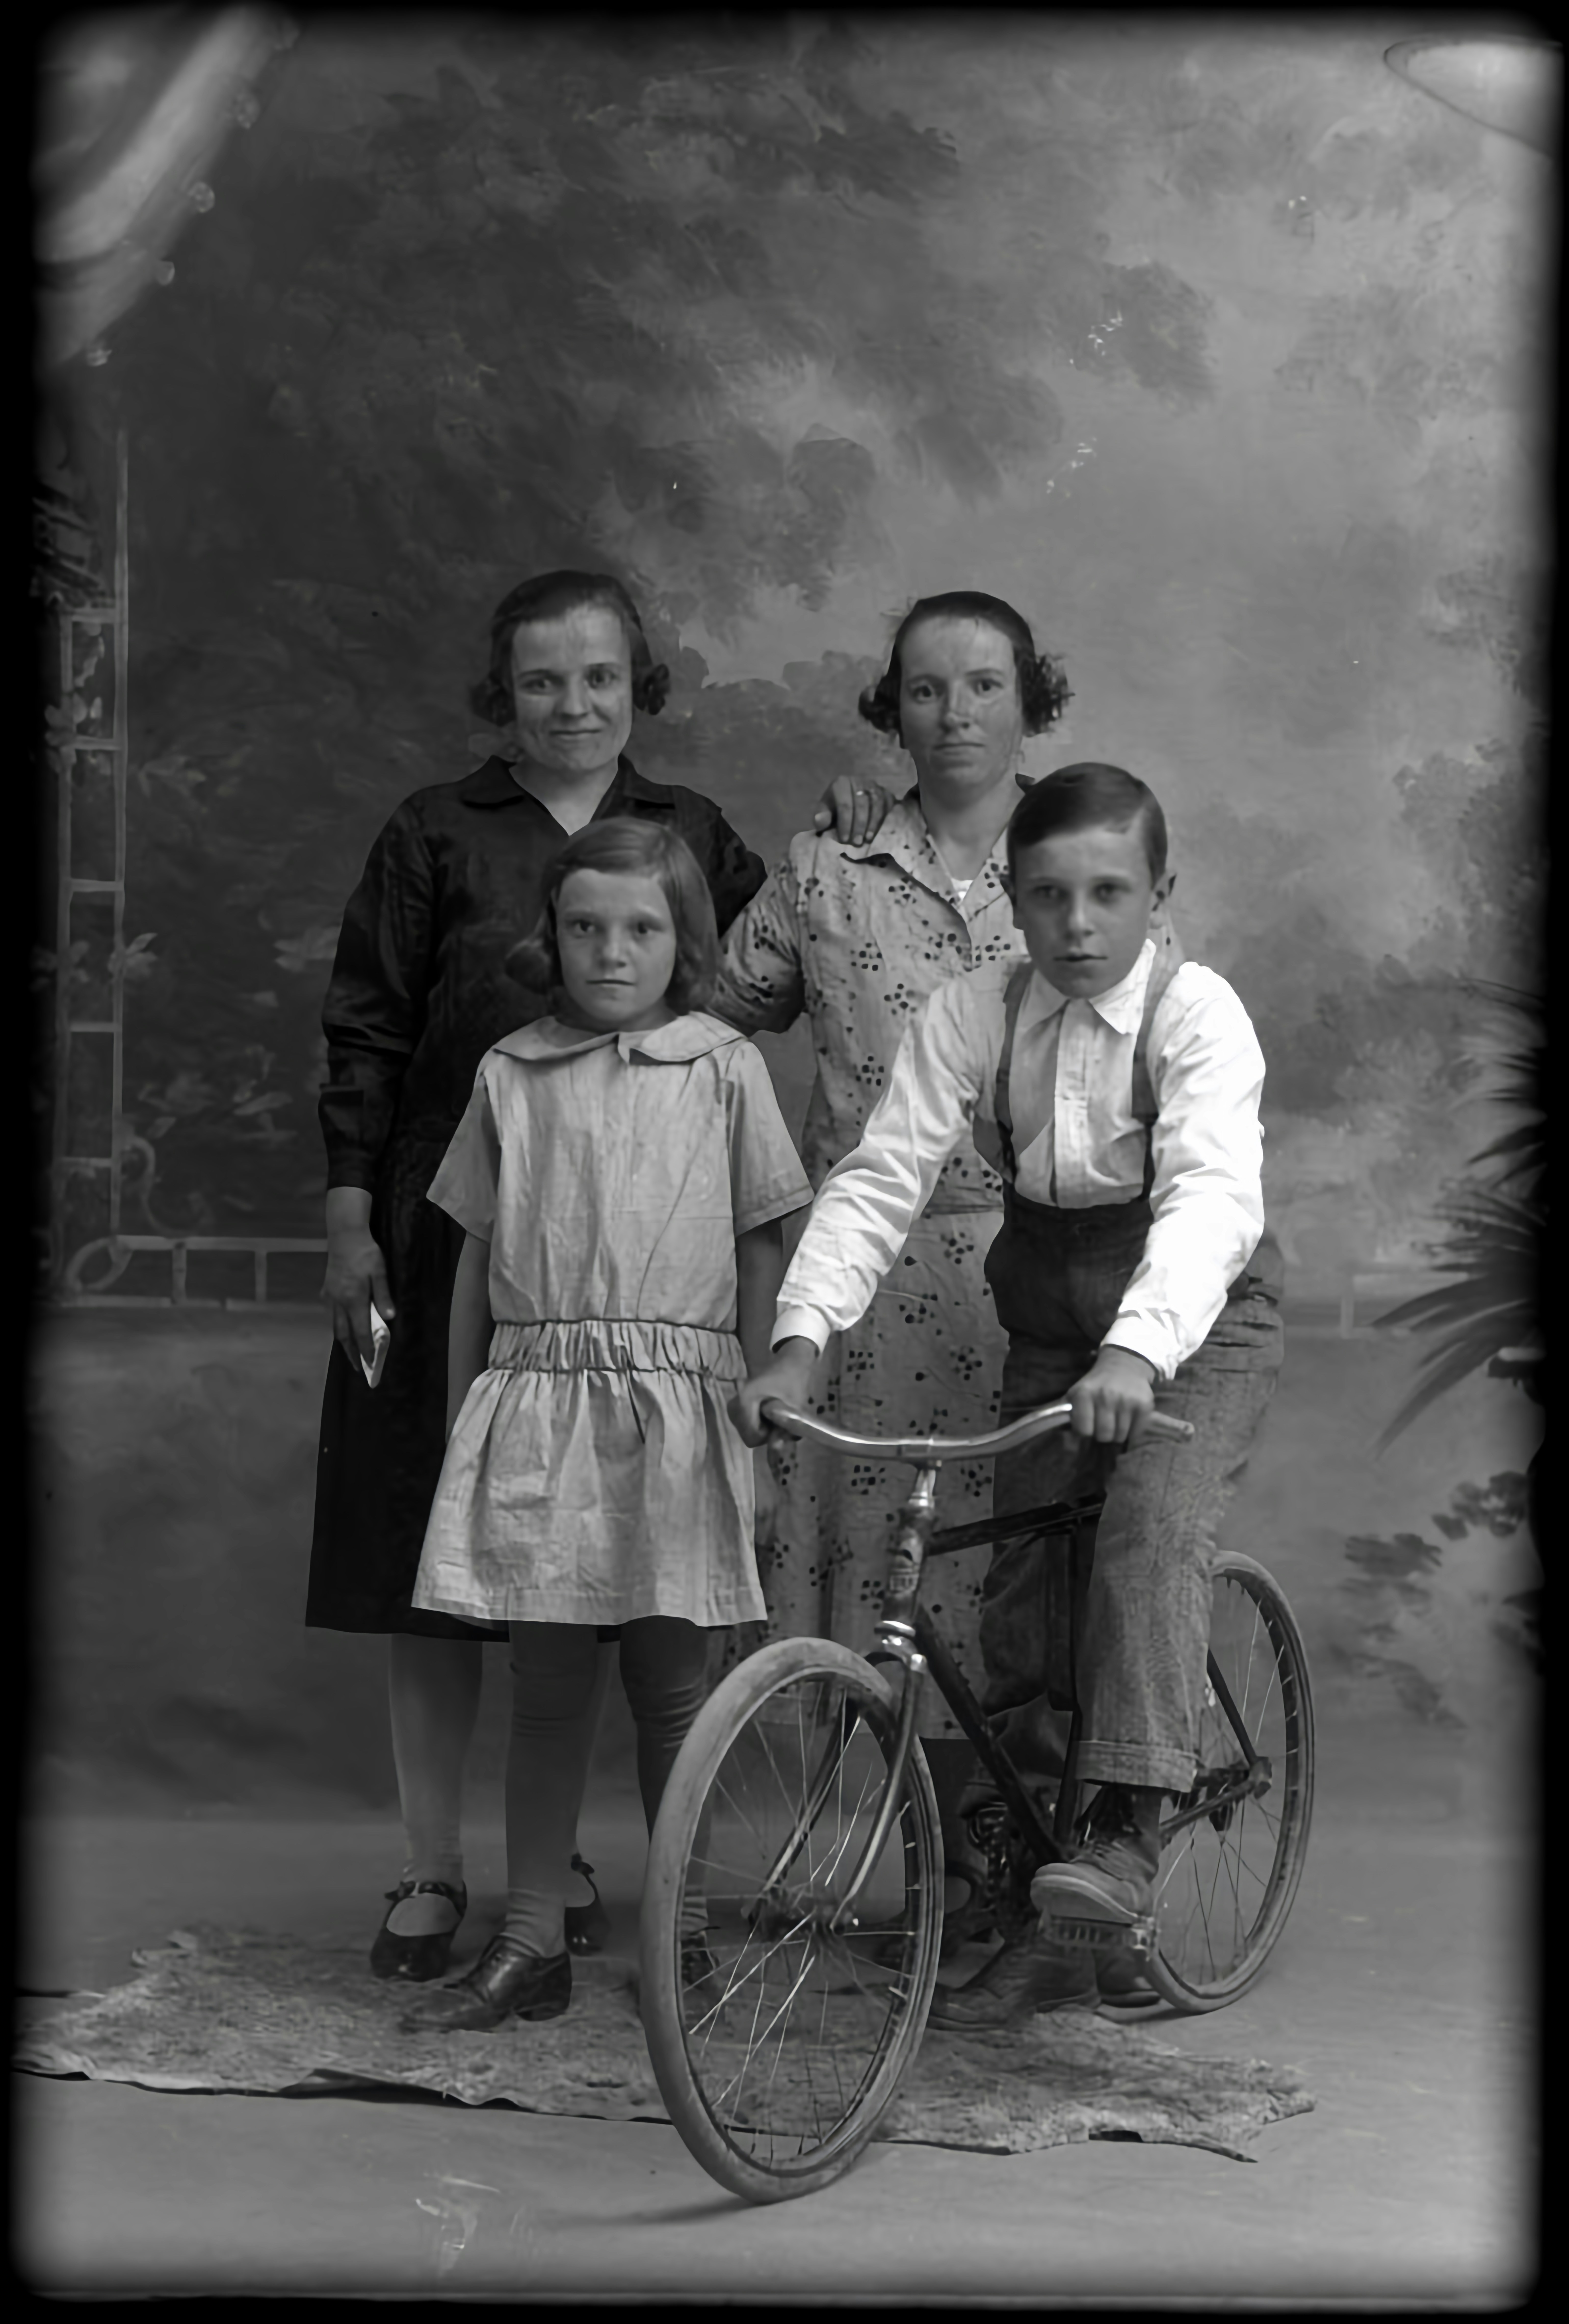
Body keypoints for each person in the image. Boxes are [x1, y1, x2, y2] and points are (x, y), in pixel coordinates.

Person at [309, 570, 887, 1983]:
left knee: (639, 1619)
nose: (572, 704)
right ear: (501, 691)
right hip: (468, 1239)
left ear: (639, 688)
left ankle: (589, 1877)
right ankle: (439, 1868)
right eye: (542, 680)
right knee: (444, 1562)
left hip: (668, 1286)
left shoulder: (690, 836)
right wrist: (348, 1219)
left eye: (600, 678)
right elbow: (369, 1027)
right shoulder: (436, 831)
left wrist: (852, 829)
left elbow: (779, 951)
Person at [733, 763, 1285, 2026]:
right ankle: (1040, 1890)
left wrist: (1138, 1354)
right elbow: (883, 1177)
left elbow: (1211, 1201)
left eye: (1109, 894)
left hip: (1199, 1325)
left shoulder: (1197, 1015)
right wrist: (798, 1341)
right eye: (1047, 896)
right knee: (1024, 1584)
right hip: (1050, 1320)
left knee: (1144, 1536)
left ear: (1160, 895)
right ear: (1014, 901)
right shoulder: (975, 1011)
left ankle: (1128, 1833)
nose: (1077, 924)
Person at [396, 820, 812, 2030]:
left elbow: (763, 1249)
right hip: (540, 1401)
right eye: (585, 927)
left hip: (683, 1407)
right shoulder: (511, 1073)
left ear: (685, 941)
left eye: (640, 929)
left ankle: (680, 1937)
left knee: (672, 1688)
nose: (611, 952)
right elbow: (474, 1266)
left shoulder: (723, 1067)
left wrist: (759, 1425)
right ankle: (531, 1939)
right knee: (545, 1687)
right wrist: (467, 1424)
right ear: (554, 934)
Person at [713, 591, 1080, 1948]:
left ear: (1029, 700)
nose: (954, 714)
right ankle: (890, 1857)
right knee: (879, 1581)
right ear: (891, 710)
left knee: (1005, 1583)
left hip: (1031, 1277)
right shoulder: (828, 866)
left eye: (982, 686)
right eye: (924, 689)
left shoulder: (1078, 863)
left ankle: (999, 1870)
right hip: (860, 1279)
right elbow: (708, 1013)